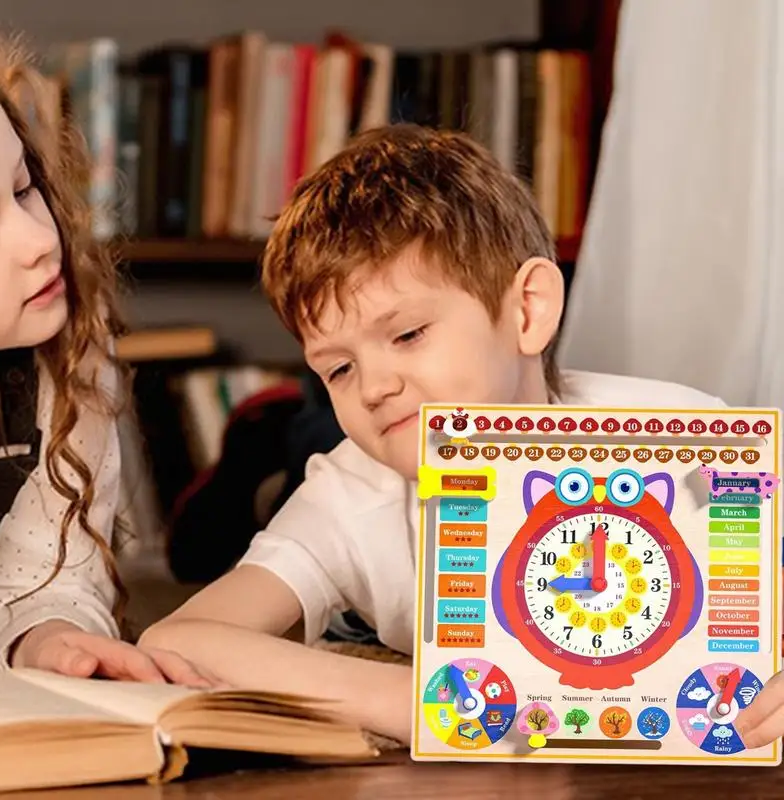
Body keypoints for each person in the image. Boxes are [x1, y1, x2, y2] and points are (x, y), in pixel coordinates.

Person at [139, 123, 728, 742]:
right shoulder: (351, 492)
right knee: (283, 468)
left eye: (408, 335)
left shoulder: (691, 439)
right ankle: (276, 432)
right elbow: (178, 640)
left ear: (528, 310)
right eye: (338, 369)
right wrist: (419, 702)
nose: (373, 387)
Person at [0, 27, 217, 688]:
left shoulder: (69, 351)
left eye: (25, 188)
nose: (38, 241)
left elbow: (47, 576)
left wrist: (48, 638)